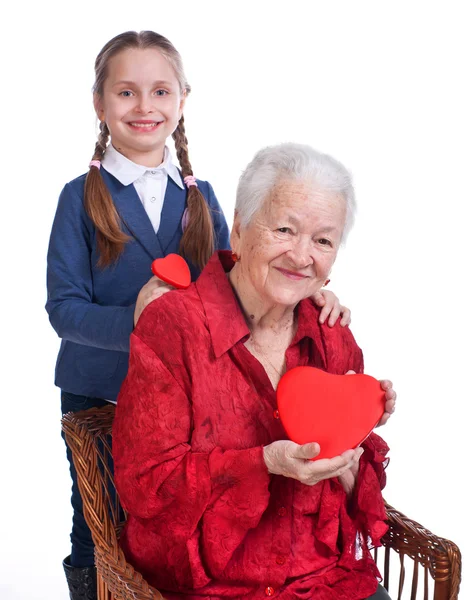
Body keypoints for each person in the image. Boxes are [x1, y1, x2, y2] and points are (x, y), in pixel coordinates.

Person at [45, 32, 350, 600]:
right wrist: (136, 322)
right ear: (99, 103)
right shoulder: (78, 198)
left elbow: (242, 276)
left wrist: (309, 296)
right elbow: (63, 311)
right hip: (101, 393)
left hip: (187, 398)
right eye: (126, 92)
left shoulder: (199, 194)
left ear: (182, 99)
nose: (144, 107)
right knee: (99, 527)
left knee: (183, 514)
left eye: (160, 91)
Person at [113, 142, 397, 600]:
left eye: (323, 240)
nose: (302, 256)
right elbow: (146, 486)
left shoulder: (333, 335)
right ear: (241, 230)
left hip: (322, 579)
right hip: (210, 585)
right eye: (285, 229)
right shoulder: (175, 327)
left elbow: (355, 492)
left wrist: (358, 437)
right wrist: (264, 464)